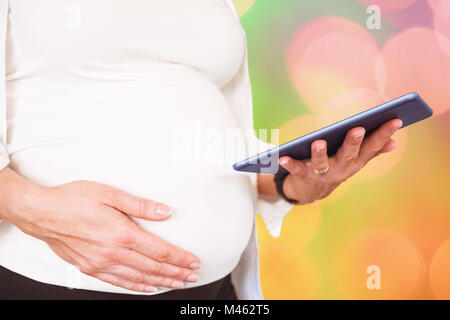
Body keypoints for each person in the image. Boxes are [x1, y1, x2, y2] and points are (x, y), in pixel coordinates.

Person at [0, 0, 401, 300]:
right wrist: (34, 209)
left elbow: (218, 133)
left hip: (213, 293)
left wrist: (289, 182)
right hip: (60, 277)